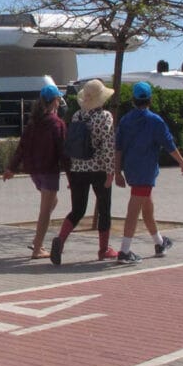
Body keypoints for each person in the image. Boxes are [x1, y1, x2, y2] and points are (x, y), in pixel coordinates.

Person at [113, 82, 183, 264]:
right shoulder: (155, 121)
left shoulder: (125, 120)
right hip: (145, 171)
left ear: (133, 100)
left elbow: (118, 148)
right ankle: (124, 250)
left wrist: (117, 172)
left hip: (131, 169)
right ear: (150, 100)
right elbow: (168, 143)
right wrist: (182, 162)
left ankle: (159, 243)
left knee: (147, 207)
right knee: (134, 209)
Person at [51, 79, 116, 265]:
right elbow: (108, 146)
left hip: (78, 168)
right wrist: (111, 171)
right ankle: (103, 250)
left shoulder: (77, 116)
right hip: (99, 169)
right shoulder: (105, 117)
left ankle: (60, 240)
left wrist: (71, 172)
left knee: (78, 209)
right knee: (104, 209)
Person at [3, 84, 66, 259]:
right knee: (45, 210)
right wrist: (71, 175)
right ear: (54, 101)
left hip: (35, 172)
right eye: (59, 99)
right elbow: (63, 151)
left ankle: (37, 240)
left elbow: (21, 148)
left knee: (52, 202)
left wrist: (11, 168)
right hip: (49, 171)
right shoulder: (57, 124)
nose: (60, 102)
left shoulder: (33, 123)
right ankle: (37, 248)